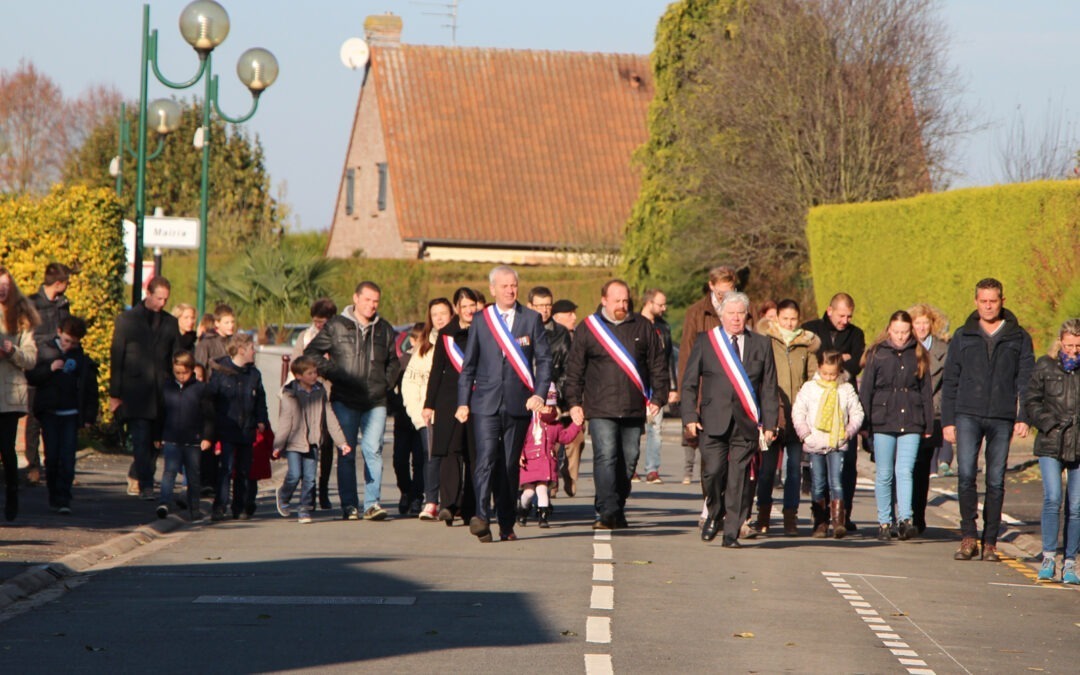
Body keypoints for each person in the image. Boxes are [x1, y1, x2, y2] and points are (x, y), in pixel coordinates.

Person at [455, 265, 552, 542]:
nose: (510, 290)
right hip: (484, 402)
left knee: (509, 465)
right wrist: (463, 401)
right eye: (505, 285)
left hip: (518, 403)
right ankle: (482, 516)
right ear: (493, 289)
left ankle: (507, 523)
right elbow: (469, 365)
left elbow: (544, 360)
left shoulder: (531, 319)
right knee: (485, 459)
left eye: (514, 285)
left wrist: (540, 393)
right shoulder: (481, 320)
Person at [942, 278, 1035, 562]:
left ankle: (991, 541)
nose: (988, 306)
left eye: (993, 301)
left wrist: (1024, 416)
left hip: (1002, 416)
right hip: (967, 413)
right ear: (976, 302)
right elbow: (950, 379)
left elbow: (1027, 380)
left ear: (1002, 301)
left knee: (995, 480)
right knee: (967, 475)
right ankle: (969, 536)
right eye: (983, 301)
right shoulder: (963, 335)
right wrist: (948, 420)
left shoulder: (1018, 336)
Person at [563, 280, 668, 529]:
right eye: (617, 301)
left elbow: (658, 366)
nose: (622, 305)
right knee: (606, 456)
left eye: (625, 301)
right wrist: (574, 402)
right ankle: (607, 510)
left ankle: (616, 505)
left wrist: (658, 397)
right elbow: (575, 370)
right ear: (604, 301)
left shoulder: (642, 326)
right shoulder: (588, 328)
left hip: (633, 408)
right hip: (600, 407)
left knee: (629, 460)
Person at [681, 291, 778, 547]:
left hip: (746, 423)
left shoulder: (761, 344)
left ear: (747, 315)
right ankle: (714, 512)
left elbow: (769, 387)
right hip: (712, 420)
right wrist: (689, 416)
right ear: (721, 315)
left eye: (740, 313)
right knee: (712, 473)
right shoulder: (706, 342)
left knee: (739, 478)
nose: (736, 318)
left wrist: (770, 424)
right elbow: (689, 382)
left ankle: (731, 532)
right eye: (731, 313)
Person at [305, 280, 400, 521]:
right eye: (367, 300)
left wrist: (385, 384)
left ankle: (372, 503)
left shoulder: (385, 329)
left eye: (376, 301)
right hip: (345, 398)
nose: (372, 305)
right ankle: (349, 505)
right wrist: (334, 372)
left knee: (372, 449)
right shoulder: (336, 326)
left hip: (375, 400)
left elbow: (394, 362)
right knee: (346, 452)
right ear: (356, 298)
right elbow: (312, 353)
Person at [859, 310, 935, 542]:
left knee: (904, 471)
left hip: (911, 419)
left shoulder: (919, 353)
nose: (901, 337)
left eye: (904, 332)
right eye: (896, 332)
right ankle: (884, 521)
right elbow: (866, 390)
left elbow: (926, 392)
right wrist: (864, 423)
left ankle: (905, 519)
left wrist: (928, 423)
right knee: (884, 473)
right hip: (883, 419)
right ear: (889, 330)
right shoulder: (877, 354)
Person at [109, 276, 179, 501]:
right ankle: (146, 485)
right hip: (135, 390)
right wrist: (115, 394)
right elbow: (117, 356)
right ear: (148, 293)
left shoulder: (170, 323)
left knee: (155, 442)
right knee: (140, 438)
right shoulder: (127, 320)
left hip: (161, 391)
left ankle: (142, 475)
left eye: (166, 299)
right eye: (158, 298)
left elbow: (176, 356)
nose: (162, 303)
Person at [754, 299, 819, 536]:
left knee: (793, 469)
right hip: (773, 414)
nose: (790, 323)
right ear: (776, 319)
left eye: (794, 319)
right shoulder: (766, 341)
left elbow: (814, 378)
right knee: (768, 469)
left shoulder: (806, 345)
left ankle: (790, 517)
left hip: (797, 416)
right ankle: (762, 514)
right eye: (785, 319)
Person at [802, 292, 865, 532]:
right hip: (817, 405)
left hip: (844, 405)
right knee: (818, 468)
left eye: (849, 316)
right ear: (830, 310)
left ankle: (843, 515)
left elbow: (856, 362)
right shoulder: (811, 329)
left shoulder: (856, 333)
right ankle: (819, 516)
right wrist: (840, 359)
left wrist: (839, 359)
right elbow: (813, 361)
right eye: (841, 315)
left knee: (846, 465)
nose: (845, 321)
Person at [1024, 318, 1080, 584]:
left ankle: (1070, 562)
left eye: (1078, 347)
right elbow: (1031, 400)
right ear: (1060, 342)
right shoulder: (1044, 365)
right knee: (1053, 498)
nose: (1073, 351)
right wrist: (1047, 423)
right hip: (1051, 442)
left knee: (1077, 506)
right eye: (1069, 346)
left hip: (1078, 443)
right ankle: (1048, 557)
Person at [26, 316, 98, 515]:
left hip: (70, 413)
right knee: (52, 456)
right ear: (59, 332)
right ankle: (53, 495)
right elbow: (32, 376)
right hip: (50, 412)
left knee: (67, 457)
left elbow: (90, 388)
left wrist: (89, 415)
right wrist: (50, 368)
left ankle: (64, 497)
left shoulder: (81, 358)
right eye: (66, 341)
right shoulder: (46, 350)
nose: (69, 346)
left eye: (74, 343)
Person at [423, 288, 480, 527]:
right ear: (457, 308)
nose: (468, 310)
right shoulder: (446, 335)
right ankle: (448, 504)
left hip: (477, 399)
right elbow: (436, 370)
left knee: (473, 455)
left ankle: (470, 508)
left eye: (472, 305)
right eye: (464, 306)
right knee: (450, 451)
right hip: (449, 400)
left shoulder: (484, 329)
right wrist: (429, 404)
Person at [791, 351, 864, 538]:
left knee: (837, 483)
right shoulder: (809, 388)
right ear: (819, 369)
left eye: (833, 374)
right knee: (818, 484)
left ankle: (838, 522)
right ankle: (820, 522)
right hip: (814, 443)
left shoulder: (845, 389)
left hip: (837, 444)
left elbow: (857, 413)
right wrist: (805, 435)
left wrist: (847, 432)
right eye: (826, 374)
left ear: (839, 371)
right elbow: (798, 412)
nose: (829, 377)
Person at [678, 265, 739, 486]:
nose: (725, 297)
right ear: (711, 286)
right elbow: (686, 358)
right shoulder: (696, 313)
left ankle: (734, 513)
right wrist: (689, 407)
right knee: (712, 460)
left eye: (730, 291)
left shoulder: (744, 310)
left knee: (737, 460)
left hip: (738, 394)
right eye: (721, 292)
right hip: (708, 397)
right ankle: (711, 506)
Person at [274, 356, 349, 525]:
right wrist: (278, 446)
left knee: (310, 478)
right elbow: (285, 421)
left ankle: (304, 509)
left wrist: (341, 442)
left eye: (315, 372)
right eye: (310, 373)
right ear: (299, 376)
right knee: (294, 474)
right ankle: (284, 495)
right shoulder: (290, 394)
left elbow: (330, 417)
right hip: (294, 442)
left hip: (313, 442)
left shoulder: (320, 391)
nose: (314, 376)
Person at [205, 333, 269, 521]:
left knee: (243, 470)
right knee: (226, 468)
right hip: (227, 427)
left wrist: (261, 419)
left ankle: (239, 506)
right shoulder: (221, 372)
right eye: (251, 348)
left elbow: (260, 400)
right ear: (241, 350)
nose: (254, 351)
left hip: (246, 428)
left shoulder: (254, 374)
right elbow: (211, 400)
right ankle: (220, 505)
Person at [402, 298, 454, 520]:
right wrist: (417, 413)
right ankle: (431, 501)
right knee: (431, 456)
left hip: (454, 412)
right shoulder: (424, 346)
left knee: (452, 458)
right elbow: (410, 384)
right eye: (435, 314)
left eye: (444, 313)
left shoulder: (460, 341)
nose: (440, 318)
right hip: (428, 414)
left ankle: (451, 501)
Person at [24, 262, 71, 487]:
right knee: (34, 418)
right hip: (37, 364)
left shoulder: (63, 304)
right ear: (59, 283)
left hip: (57, 366)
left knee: (54, 416)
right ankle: (33, 465)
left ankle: (53, 464)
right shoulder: (33, 303)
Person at [0, 268, 39, 521]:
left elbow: (31, 359)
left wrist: (12, 350)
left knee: (6, 448)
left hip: (10, 396)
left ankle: (12, 494)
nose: (2, 289)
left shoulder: (21, 319)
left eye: (6, 284)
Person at [291, 297, 338, 509]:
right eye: (316, 321)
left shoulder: (338, 337)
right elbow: (295, 363)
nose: (319, 325)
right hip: (307, 397)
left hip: (330, 394)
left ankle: (324, 488)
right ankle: (308, 491)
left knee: (327, 444)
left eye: (323, 321)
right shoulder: (305, 336)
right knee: (306, 443)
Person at [155, 351, 213, 520]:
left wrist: (207, 437)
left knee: (193, 475)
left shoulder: (200, 389)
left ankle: (194, 507)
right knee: (169, 472)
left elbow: (209, 416)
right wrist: (157, 436)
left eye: (184, 372)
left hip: (193, 440)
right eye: (177, 372)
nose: (181, 376)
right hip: (172, 438)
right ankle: (164, 502)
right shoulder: (167, 387)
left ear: (191, 370)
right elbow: (161, 413)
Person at [908, 303, 950, 533]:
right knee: (906, 466)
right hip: (906, 414)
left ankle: (918, 514)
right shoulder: (903, 348)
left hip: (932, 414)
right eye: (917, 323)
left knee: (923, 466)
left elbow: (950, 383)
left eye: (925, 323)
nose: (922, 327)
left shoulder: (943, 349)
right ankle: (903, 512)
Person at [517, 385, 582, 528]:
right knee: (528, 492)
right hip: (529, 462)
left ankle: (543, 516)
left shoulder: (555, 425)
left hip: (546, 463)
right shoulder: (529, 423)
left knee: (542, 490)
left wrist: (575, 425)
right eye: (546, 406)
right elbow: (519, 439)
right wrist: (520, 453)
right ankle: (522, 510)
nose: (549, 410)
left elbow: (565, 437)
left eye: (552, 407)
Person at [639, 288, 679, 484]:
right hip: (637, 385)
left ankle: (652, 469)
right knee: (634, 430)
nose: (664, 308)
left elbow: (669, 358)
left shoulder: (664, 327)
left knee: (656, 429)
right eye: (660, 304)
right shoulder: (634, 324)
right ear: (649, 303)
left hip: (658, 384)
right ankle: (630, 468)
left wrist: (672, 387)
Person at [391, 323, 426, 516]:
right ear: (411, 341)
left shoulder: (430, 360)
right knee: (399, 460)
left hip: (422, 419)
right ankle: (405, 491)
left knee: (420, 461)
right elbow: (391, 386)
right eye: (419, 341)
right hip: (403, 418)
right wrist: (395, 405)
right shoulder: (402, 361)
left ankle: (417, 497)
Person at [195, 303, 236, 374]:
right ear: (217, 323)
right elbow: (199, 370)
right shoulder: (206, 343)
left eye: (232, 322)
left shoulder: (235, 342)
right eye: (227, 323)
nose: (231, 326)